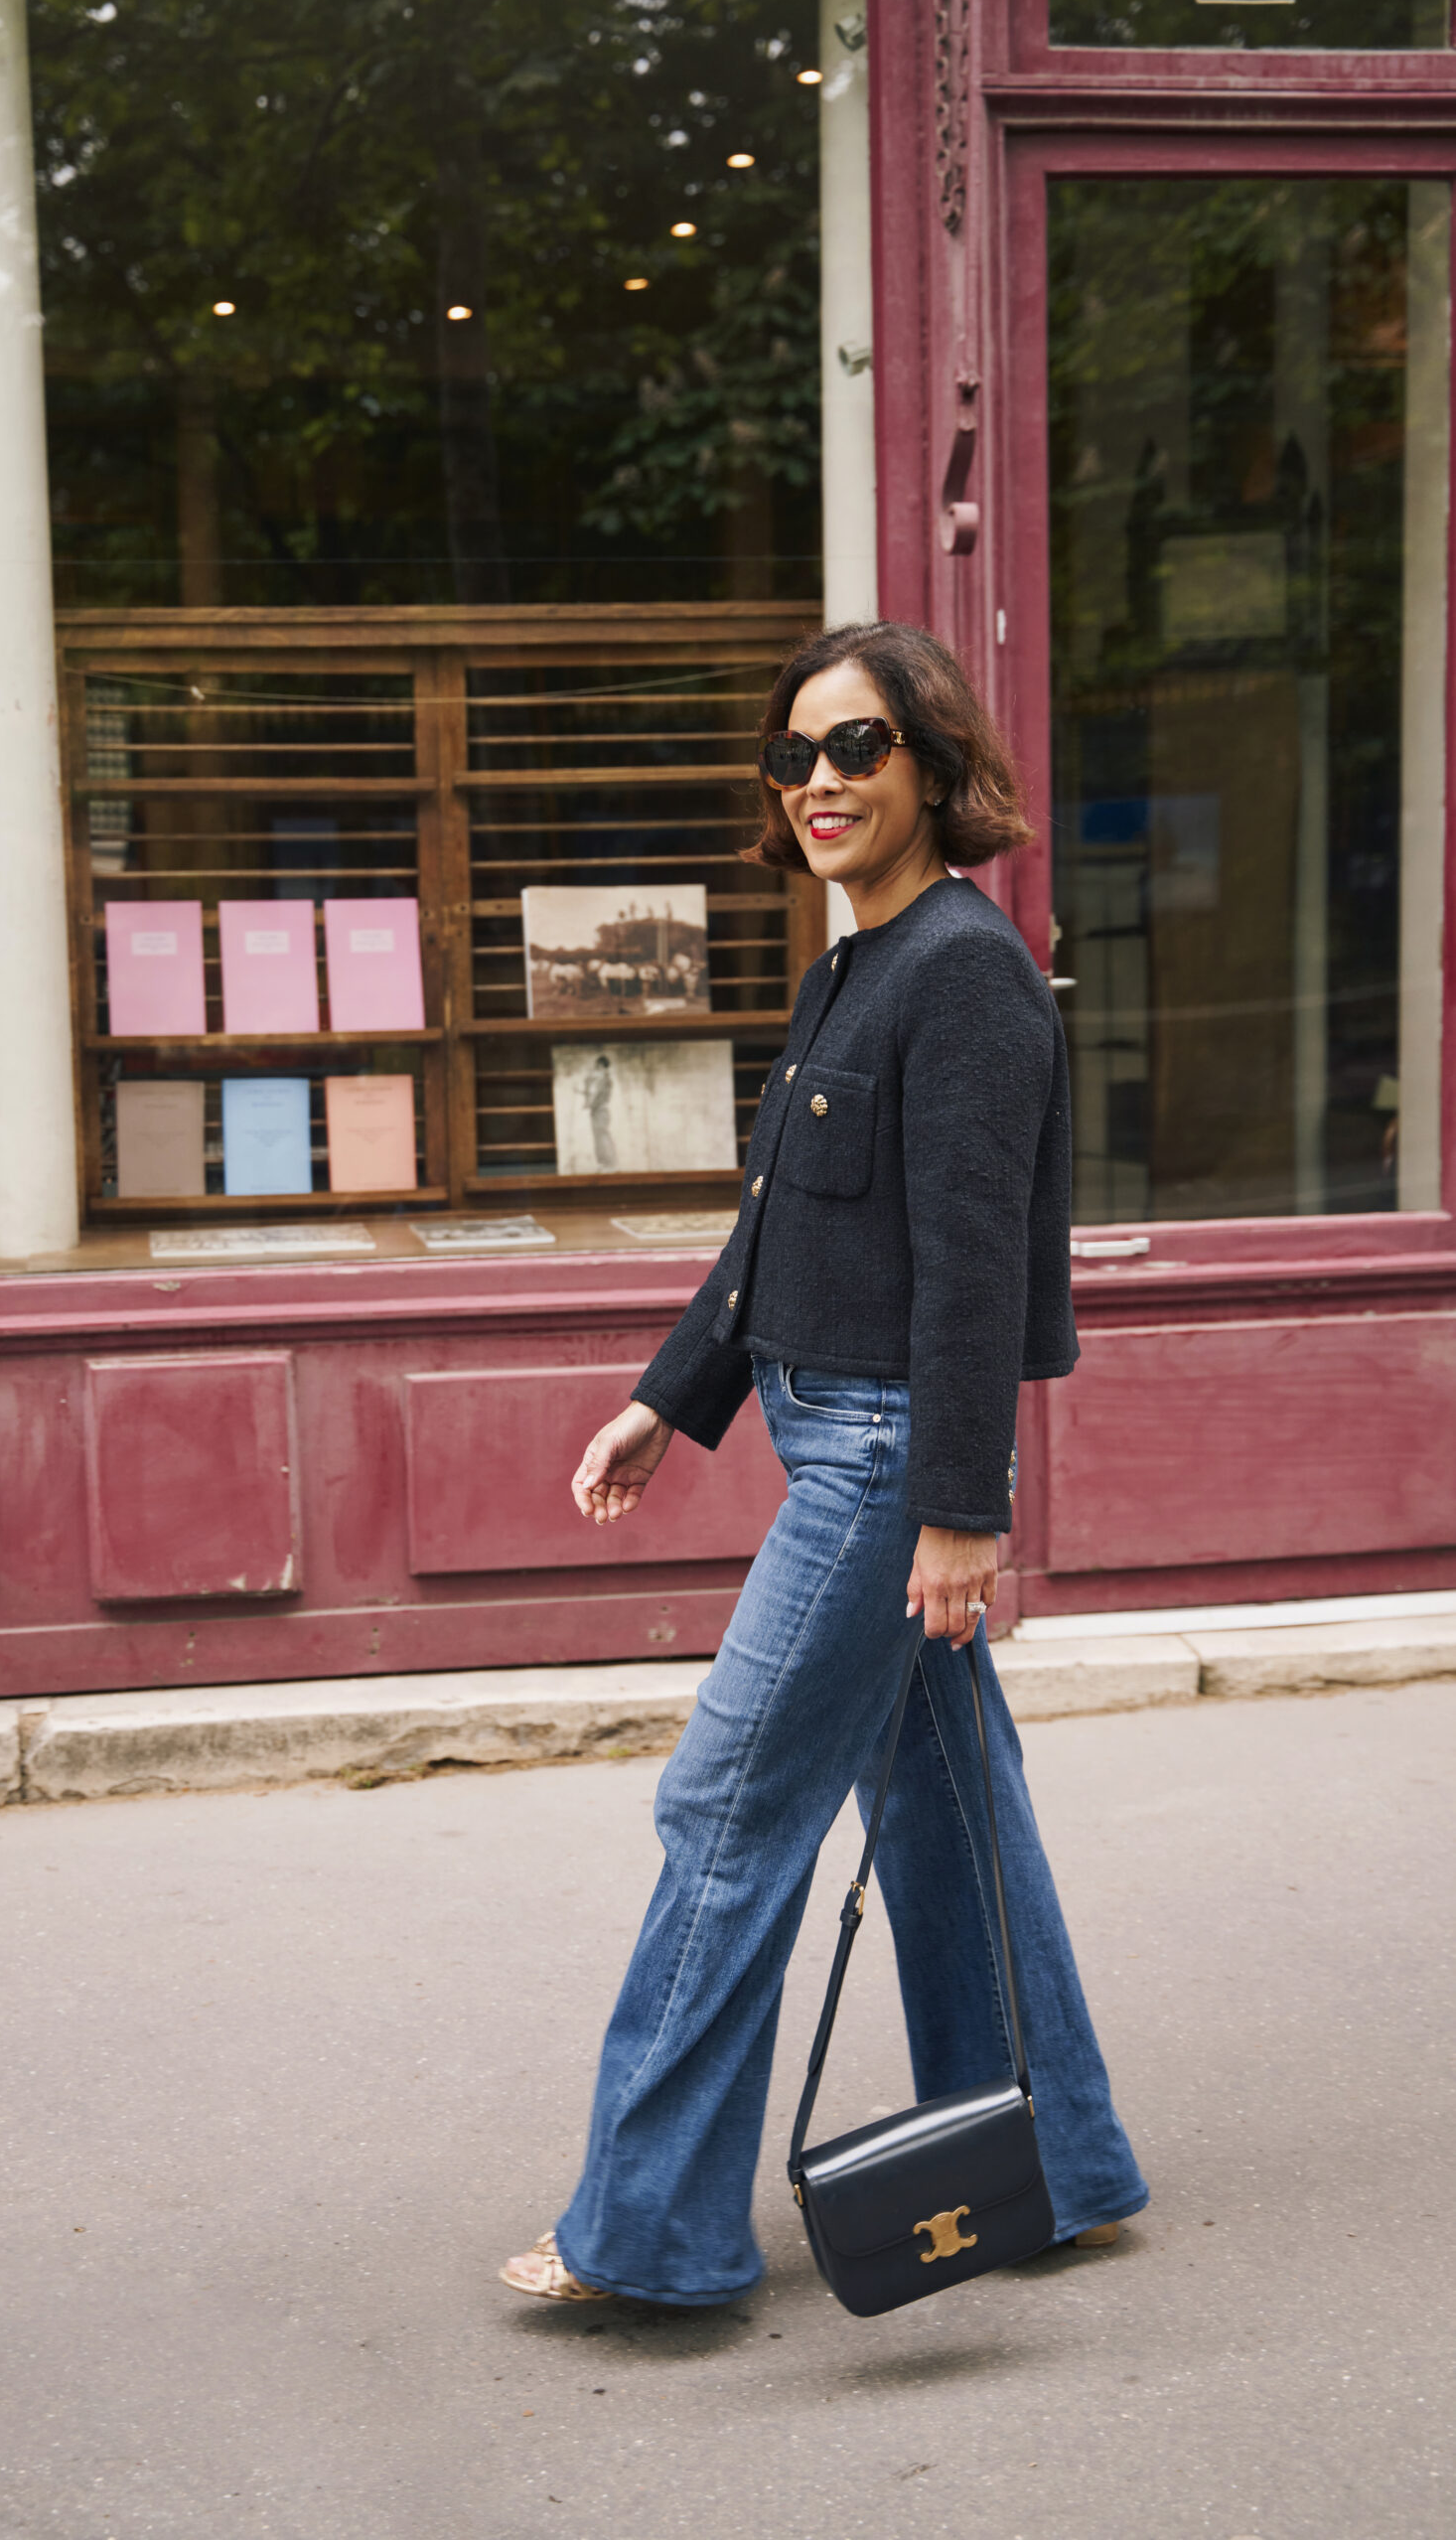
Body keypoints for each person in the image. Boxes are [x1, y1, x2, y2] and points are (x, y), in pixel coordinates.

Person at [500, 620, 1148, 2310]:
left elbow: (969, 1265)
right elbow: (779, 1229)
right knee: (947, 1816)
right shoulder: (856, 965)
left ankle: (648, 2237)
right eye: (793, 757)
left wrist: (959, 1514)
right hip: (834, 1434)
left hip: (881, 1473)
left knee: (722, 1805)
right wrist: (673, 1395)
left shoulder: (966, 973)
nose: (819, 783)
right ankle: (1058, 2167)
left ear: (936, 763)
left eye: (856, 748)